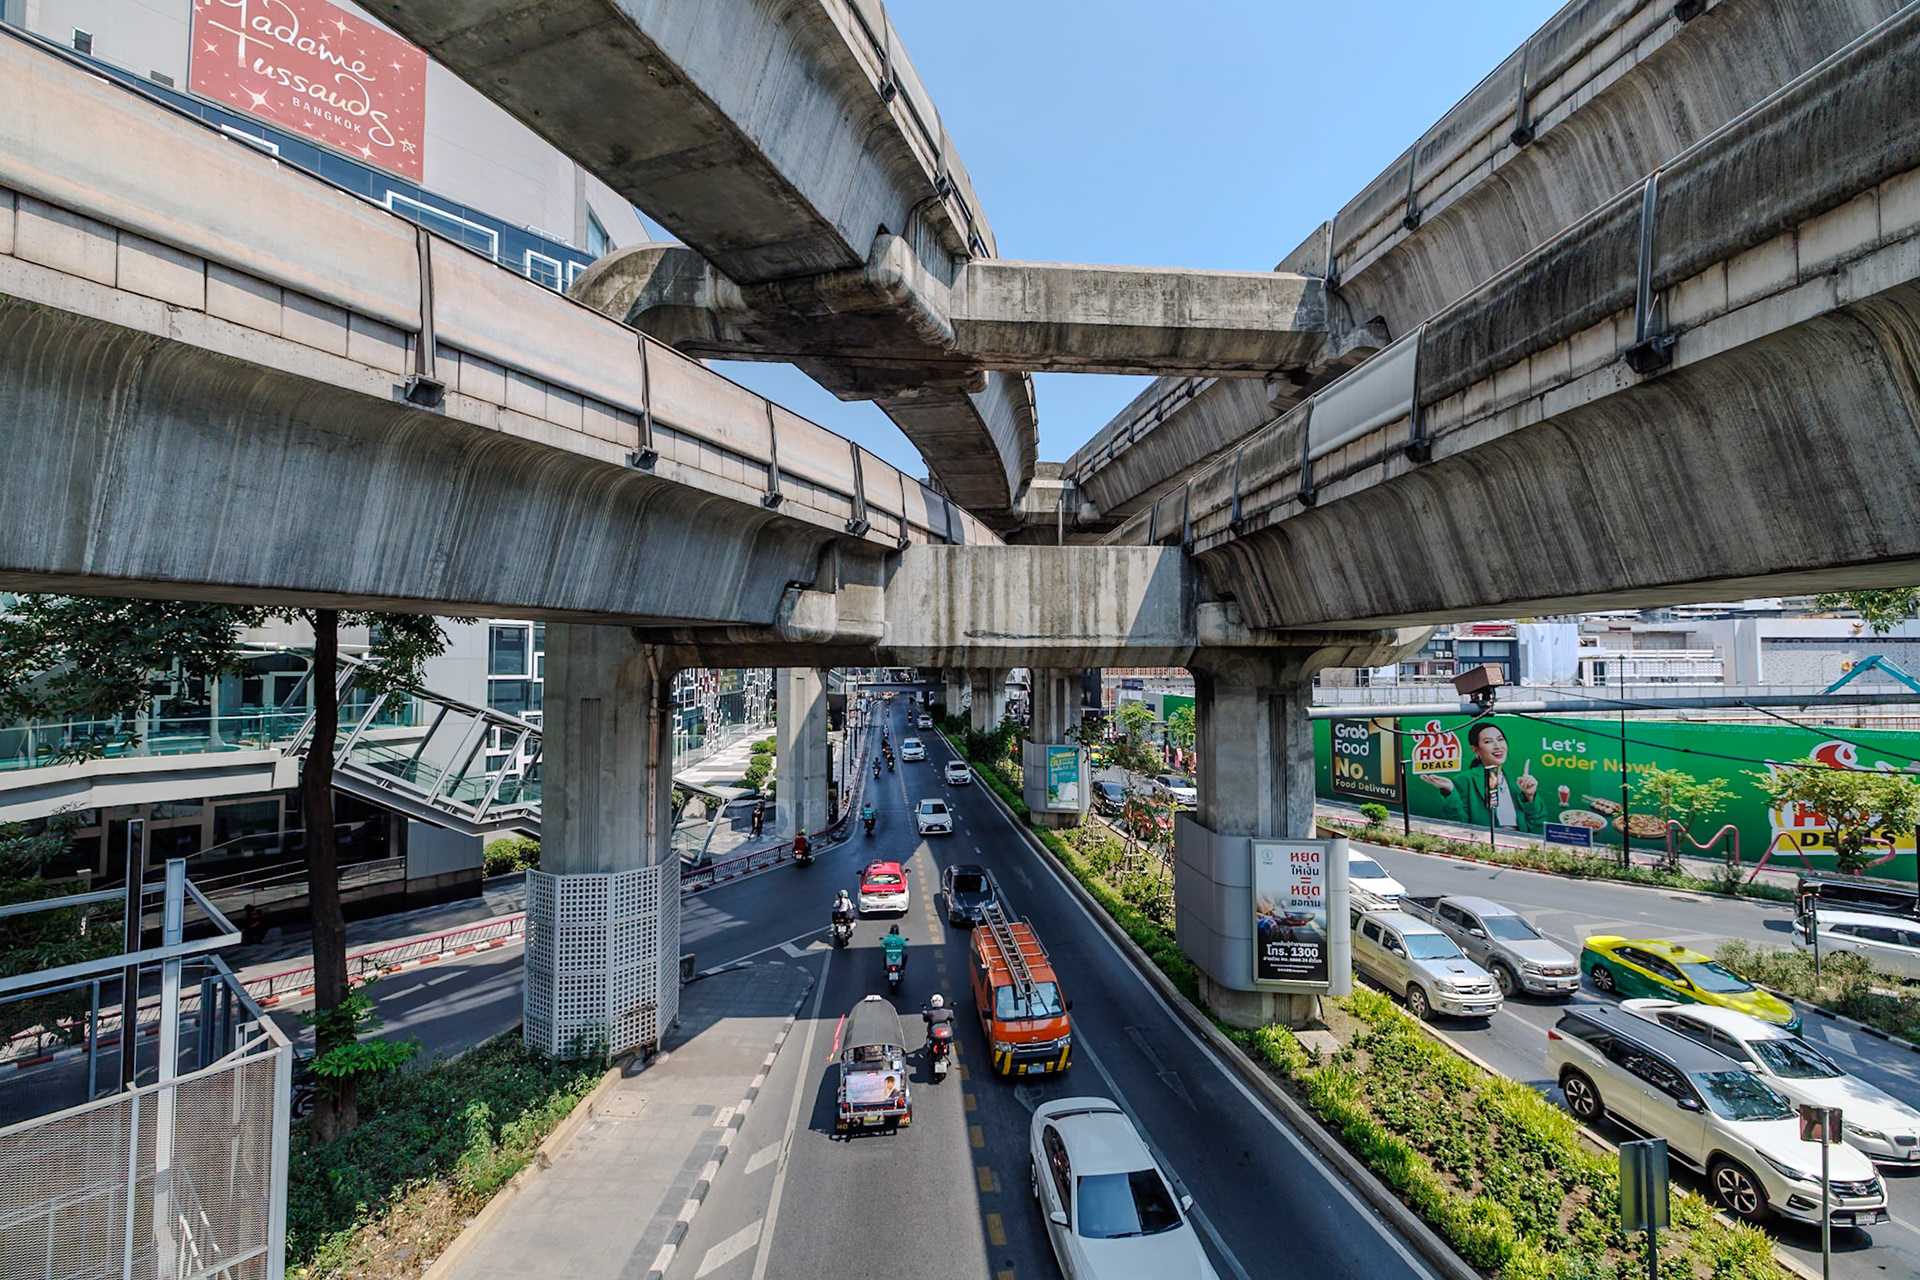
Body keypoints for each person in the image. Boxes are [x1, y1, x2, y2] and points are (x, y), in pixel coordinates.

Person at [1419, 722, 1545, 834]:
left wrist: (1530, 796)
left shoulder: (1517, 783)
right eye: (1488, 742)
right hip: (1485, 843)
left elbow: (1538, 828)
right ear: (1475, 750)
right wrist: (1450, 791)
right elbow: (1459, 823)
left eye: (1500, 740)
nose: (1497, 746)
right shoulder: (1465, 780)